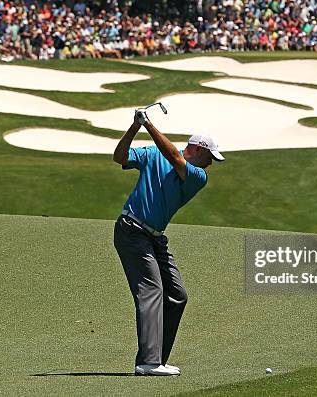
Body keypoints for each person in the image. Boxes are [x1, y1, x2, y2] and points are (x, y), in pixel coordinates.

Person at [112, 110, 224, 376]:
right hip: (132, 230)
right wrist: (134, 127)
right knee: (151, 290)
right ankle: (148, 362)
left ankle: (157, 359)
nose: (210, 164)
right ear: (197, 149)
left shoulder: (197, 176)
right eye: (209, 157)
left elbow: (173, 156)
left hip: (154, 238)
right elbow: (119, 157)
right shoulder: (152, 154)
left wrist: (147, 123)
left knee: (177, 295)